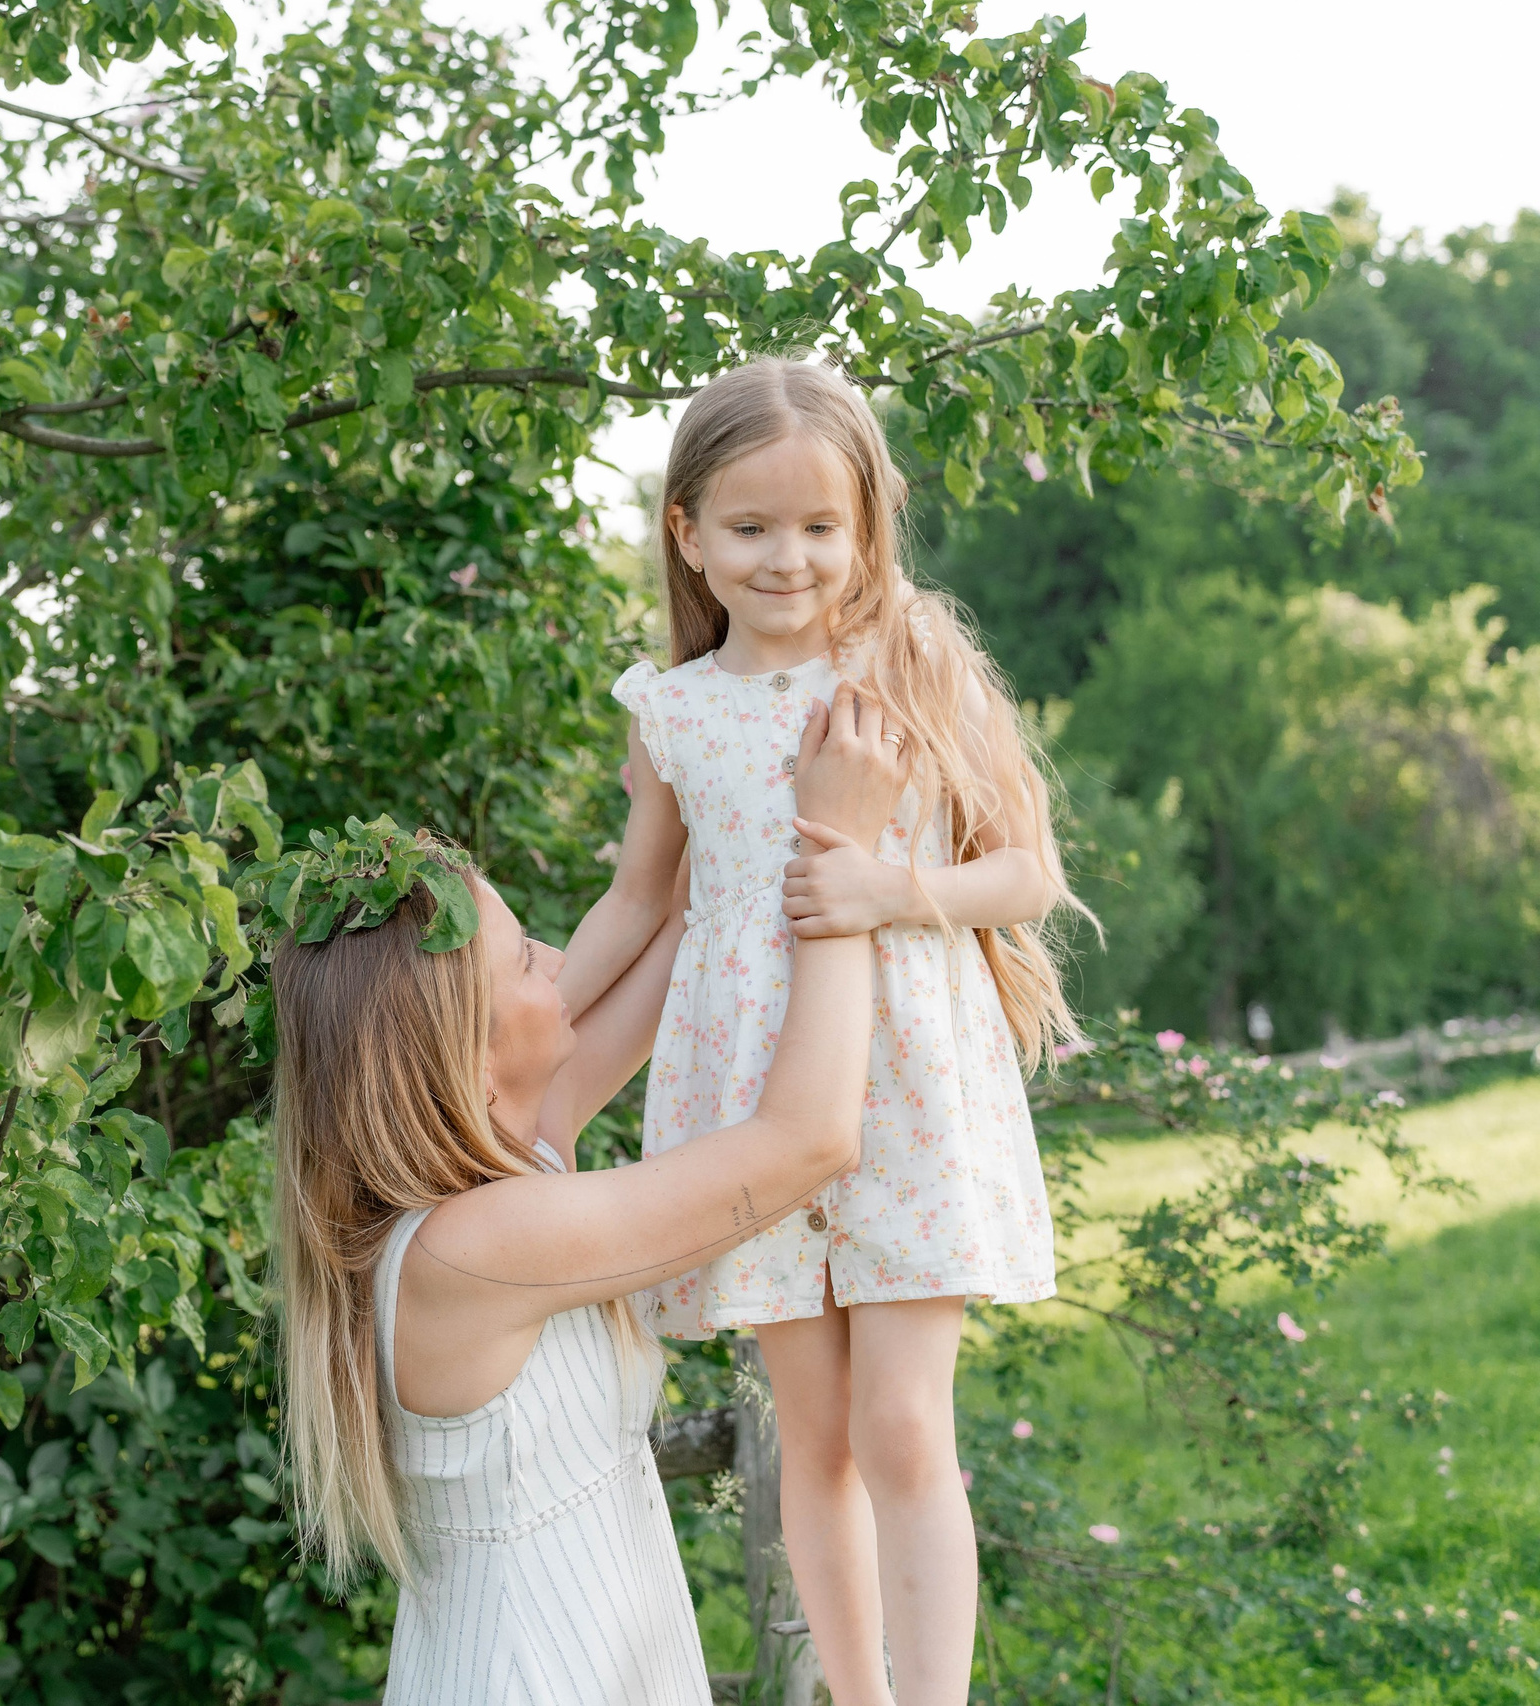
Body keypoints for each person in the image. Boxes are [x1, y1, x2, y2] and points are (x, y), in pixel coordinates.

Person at [555, 357, 1082, 1706]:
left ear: (864, 526)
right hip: (745, 1084)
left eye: (817, 527)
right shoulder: (672, 710)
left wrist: (894, 890)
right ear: (686, 532)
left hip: (907, 1072)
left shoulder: (910, 664)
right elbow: (639, 899)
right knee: (818, 1431)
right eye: (749, 527)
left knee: (908, 1422)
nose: (786, 558)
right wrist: (533, 1029)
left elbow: (1023, 873)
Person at [272, 685, 904, 1705]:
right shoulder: (480, 1243)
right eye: (525, 959)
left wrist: (710, 771)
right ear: (464, 1063)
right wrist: (843, 860)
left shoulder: (509, 1166)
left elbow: (679, 925)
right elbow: (808, 1137)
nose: (560, 965)